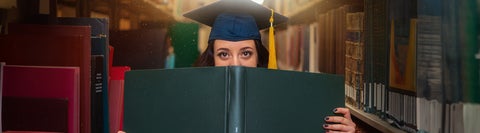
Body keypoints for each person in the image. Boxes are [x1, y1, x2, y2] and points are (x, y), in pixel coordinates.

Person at [184, 0, 357, 132]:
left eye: (246, 53)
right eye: (223, 54)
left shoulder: (286, 100)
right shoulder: (190, 102)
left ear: (258, 57)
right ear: (212, 58)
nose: (235, 65)